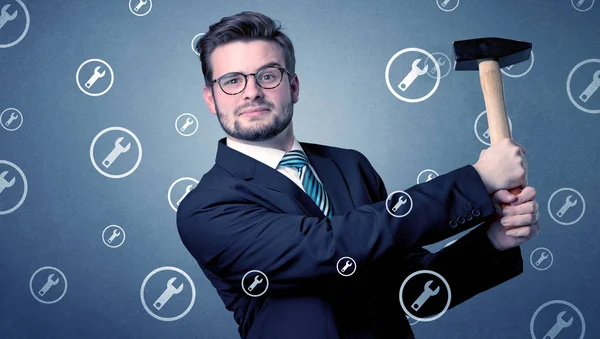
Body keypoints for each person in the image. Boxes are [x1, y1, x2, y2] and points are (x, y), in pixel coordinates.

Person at [176, 11, 540, 339]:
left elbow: (409, 286)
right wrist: (477, 181)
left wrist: (492, 240)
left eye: (268, 75)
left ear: (294, 86)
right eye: (232, 81)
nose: (252, 92)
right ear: (211, 99)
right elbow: (330, 246)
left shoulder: (350, 166)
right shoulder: (205, 209)